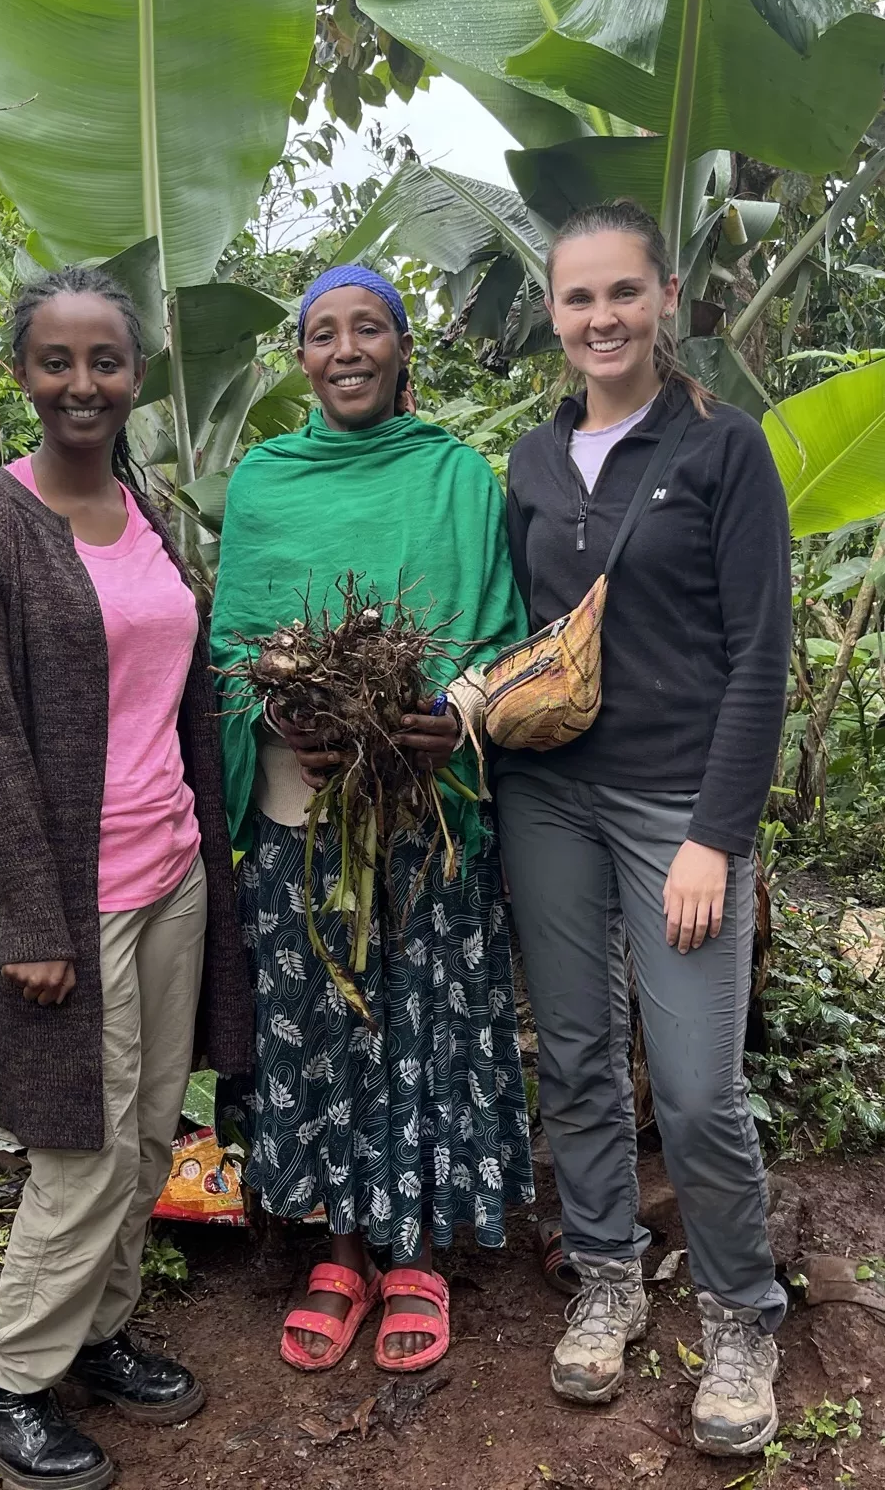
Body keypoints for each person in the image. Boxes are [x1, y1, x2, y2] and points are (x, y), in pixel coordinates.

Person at [0, 266, 252, 1490]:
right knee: (82, 1142)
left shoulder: (146, 505)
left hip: (171, 869)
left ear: (136, 377)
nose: (81, 384)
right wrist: (28, 917)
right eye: (56, 361)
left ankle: (94, 1332)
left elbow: (178, 694)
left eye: (104, 362)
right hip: (71, 897)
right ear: (23, 374)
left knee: (152, 1128)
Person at [492, 201, 793, 1457]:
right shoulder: (528, 460)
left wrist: (715, 836)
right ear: (552, 317)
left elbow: (759, 655)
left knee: (693, 1082)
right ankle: (607, 1272)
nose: (601, 318)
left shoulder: (724, 449)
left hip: (676, 804)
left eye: (622, 293)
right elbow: (514, 630)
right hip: (548, 792)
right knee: (570, 1053)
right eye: (577, 299)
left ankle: (741, 1311)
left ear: (666, 298)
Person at [211, 264, 534, 1375]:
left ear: (402, 347)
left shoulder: (456, 478)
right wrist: (282, 717)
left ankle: (416, 1255)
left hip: (427, 810)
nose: (345, 350)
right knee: (324, 1020)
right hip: (301, 811)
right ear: (299, 357)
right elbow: (234, 643)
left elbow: (496, 631)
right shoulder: (262, 481)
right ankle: (338, 1248)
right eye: (321, 334)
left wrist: (452, 714)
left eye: (368, 329)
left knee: (421, 1025)